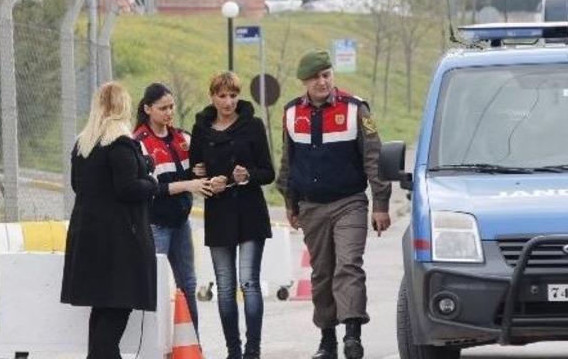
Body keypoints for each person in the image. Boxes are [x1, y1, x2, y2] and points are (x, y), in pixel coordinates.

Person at [276, 50, 392, 359]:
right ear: (304, 82)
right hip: (311, 207)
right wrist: (290, 203)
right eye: (315, 77)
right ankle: (327, 339)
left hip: (349, 203)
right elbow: (288, 163)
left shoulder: (355, 109)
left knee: (348, 266)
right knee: (322, 273)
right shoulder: (290, 113)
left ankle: (352, 336)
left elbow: (375, 158)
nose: (322, 81)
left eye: (326, 74)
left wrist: (380, 203)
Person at [60, 82, 159, 359]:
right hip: (119, 241)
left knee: (102, 308)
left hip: (87, 235)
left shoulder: (84, 144)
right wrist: (151, 183)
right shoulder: (121, 143)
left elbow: (79, 185)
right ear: (124, 107)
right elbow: (127, 188)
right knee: (117, 309)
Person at [190, 71, 274, 359]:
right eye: (222, 96)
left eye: (233, 95)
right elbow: (194, 168)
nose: (228, 102)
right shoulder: (201, 128)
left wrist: (247, 175)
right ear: (212, 96)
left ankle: (253, 349)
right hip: (218, 212)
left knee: (249, 282)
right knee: (224, 287)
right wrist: (199, 175)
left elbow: (268, 172)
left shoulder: (253, 125)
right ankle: (233, 350)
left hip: (249, 211)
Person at [133, 82, 212, 333]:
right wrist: (190, 182)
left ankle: (192, 343)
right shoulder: (140, 143)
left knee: (188, 284)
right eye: (162, 108)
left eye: (171, 107)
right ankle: (151, 343)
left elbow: (194, 170)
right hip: (155, 224)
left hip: (181, 223)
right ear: (148, 109)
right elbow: (153, 188)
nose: (168, 112)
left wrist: (199, 171)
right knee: (153, 284)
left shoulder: (182, 137)